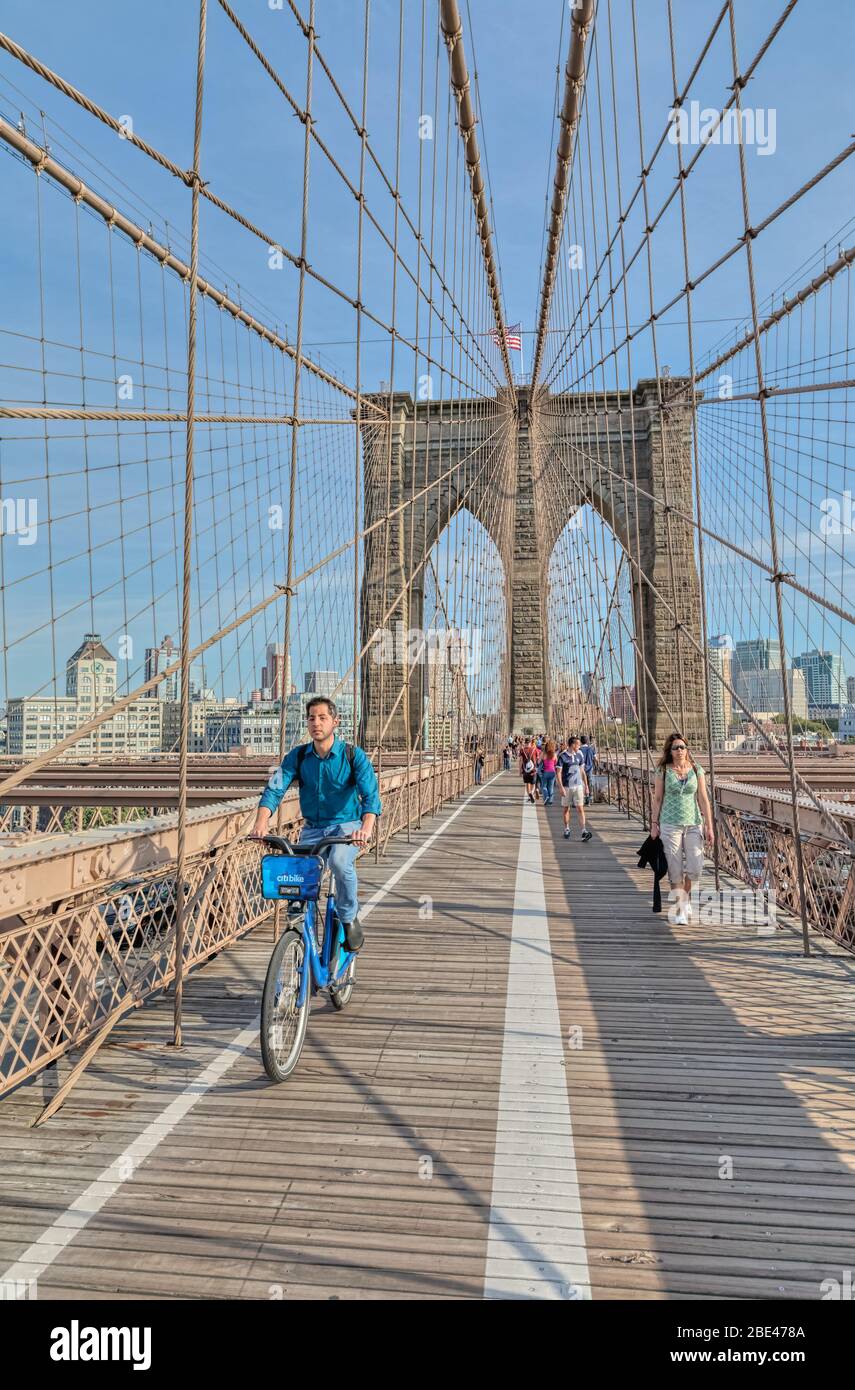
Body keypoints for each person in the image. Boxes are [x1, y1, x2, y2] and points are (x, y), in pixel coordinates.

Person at [250, 695, 381, 951]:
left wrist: (365, 828)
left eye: (322, 718)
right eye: (311, 718)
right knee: (298, 875)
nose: (316, 723)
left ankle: (348, 916)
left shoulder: (354, 756)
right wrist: (261, 823)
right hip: (313, 828)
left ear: (335, 721)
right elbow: (275, 789)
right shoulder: (298, 757)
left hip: (347, 826)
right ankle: (299, 935)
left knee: (340, 862)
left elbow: (370, 796)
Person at [649, 731, 714, 926]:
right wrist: (654, 824)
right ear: (670, 751)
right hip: (670, 825)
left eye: (682, 747)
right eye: (675, 748)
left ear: (687, 750)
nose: (679, 751)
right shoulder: (663, 770)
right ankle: (680, 909)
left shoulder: (697, 769)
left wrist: (709, 826)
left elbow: (703, 798)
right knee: (675, 869)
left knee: (695, 868)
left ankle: (684, 897)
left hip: (694, 823)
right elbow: (658, 798)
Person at [559, 736, 591, 841]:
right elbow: (558, 773)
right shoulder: (562, 756)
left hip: (578, 786)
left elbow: (582, 771)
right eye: (578, 744)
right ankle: (566, 828)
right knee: (566, 808)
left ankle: (583, 831)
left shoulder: (579, 755)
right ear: (573, 745)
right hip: (567, 786)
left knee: (580, 808)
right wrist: (561, 787)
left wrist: (586, 786)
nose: (579, 746)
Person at [519, 736, 538, 804]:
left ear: (525, 742)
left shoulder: (522, 750)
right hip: (533, 769)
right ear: (530, 742)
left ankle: (529, 794)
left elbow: (520, 760)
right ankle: (532, 793)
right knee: (533, 783)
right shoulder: (534, 749)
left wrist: (520, 770)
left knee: (527, 783)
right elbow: (537, 759)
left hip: (525, 769)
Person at [580, 734, 597, 804]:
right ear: (587, 741)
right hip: (589, 768)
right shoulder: (591, 749)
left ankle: (583, 797)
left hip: (581, 769)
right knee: (589, 783)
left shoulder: (579, 750)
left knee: (582, 783)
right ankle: (589, 798)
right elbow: (596, 758)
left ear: (581, 741)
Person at [540, 739, 558, 805]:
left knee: (544, 786)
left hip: (545, 772)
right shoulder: (554, 754)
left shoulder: (543, 754)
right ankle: (550, 800)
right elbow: (556, 763)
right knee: (551, 787)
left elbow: (538, 762)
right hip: (552, 772)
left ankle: (546, 796)